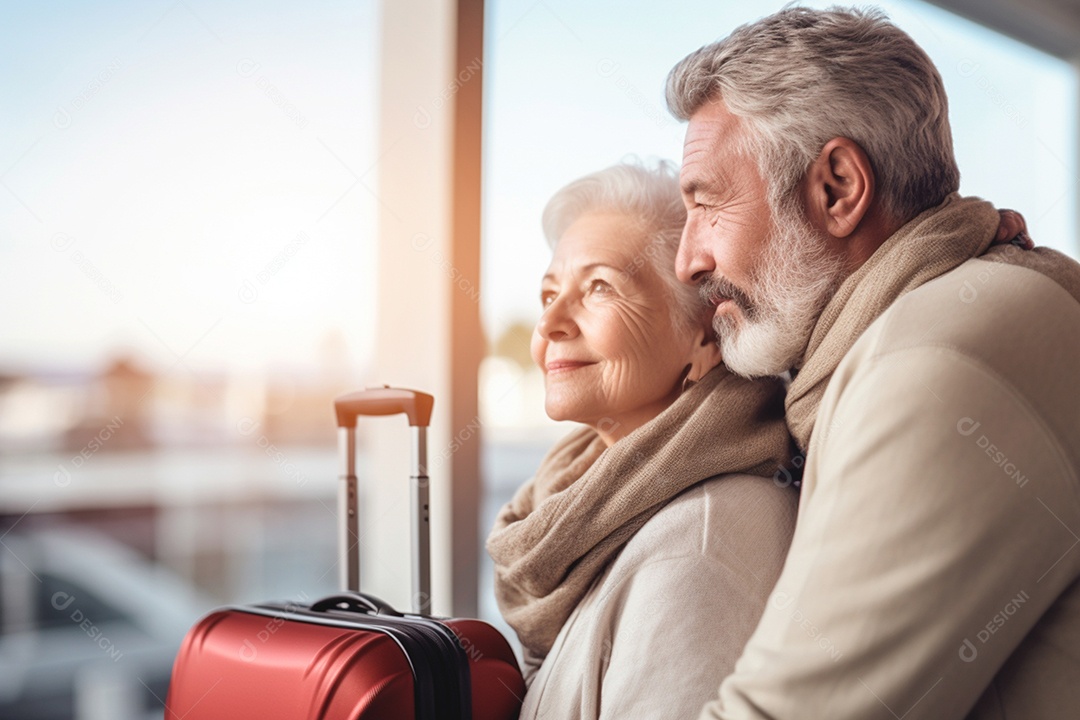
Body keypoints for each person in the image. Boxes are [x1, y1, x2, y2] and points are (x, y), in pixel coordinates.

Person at [665, 7, 1080, 719]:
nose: (687, 260)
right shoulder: (960, 308)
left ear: (838, 189)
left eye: (708, 206)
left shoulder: (934, 362)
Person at [485, 161, 799, 719]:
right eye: (549, 293)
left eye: (600, 286)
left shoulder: (697, 545)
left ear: (703, 335)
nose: (551, 322)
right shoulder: (588, 502)